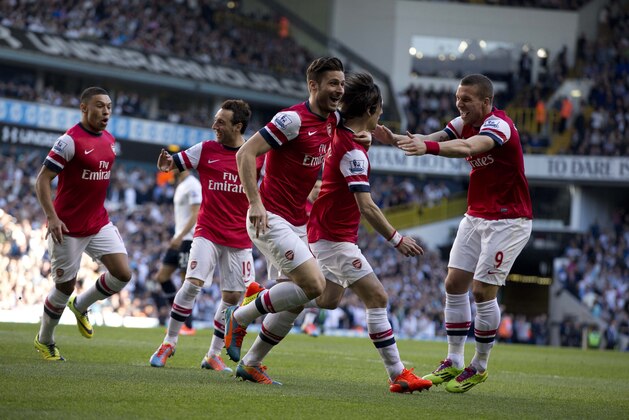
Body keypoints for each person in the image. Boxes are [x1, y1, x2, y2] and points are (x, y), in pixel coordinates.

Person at [375, 73, 532, 393]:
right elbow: (433, 137)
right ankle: (453, 360)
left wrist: (428, 147)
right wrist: (395, 140)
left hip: (508, 220)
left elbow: (466, 148)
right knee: (453, 283)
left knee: (482, 291)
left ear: (486, 102)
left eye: (467, 99)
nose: (459, 104)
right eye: (458, 98)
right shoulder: (462, 121)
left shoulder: (498, 125)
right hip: (476, 216)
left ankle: (480, 365)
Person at [226, 56, 369, 385]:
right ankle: (242, 316)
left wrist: (370, 138)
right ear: (313, 85)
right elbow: (244, 153)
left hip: (298, 222)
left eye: (342, 83)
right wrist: (255, 202)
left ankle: (251, 363)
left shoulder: (334, 119)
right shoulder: (291, 120)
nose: (339, 89)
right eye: (333, 83)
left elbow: (361, 127)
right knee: (315, 285)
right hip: (268, 217)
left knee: (300, 297)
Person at [307, 72, 433, 393]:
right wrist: (397, 239)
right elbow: (368, 207)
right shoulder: (352, 150)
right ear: (372, 108)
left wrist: (385, 136)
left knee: (328, 299)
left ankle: (264, 298)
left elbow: (364, 124)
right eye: (379, 110)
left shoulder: (340, 127)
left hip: (330, 232)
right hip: (334, 237)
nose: (381, 117)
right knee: (377, 296)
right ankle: (398, 373)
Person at [149, 99, 264, 372]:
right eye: (215, 120)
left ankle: (213, 355)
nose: (215, 126)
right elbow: (171, 165)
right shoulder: (205, 149)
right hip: (207, 231)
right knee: (192, 283)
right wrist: (165, 164)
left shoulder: (257, 155)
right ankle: (169, 343)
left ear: (238, 126)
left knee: (233, 297)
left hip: (239, 237)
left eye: (221, 122)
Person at [34, 86, 133, 361]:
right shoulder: (69, 141)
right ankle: (45, 340)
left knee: (123, 274)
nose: (106, 112)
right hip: (68, 227)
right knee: (64, 287)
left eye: (109, 107)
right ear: (84, 108)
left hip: (99, 222)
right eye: (100, 106)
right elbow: (42, 180)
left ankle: (82, 305)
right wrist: (52, 217)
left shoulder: (111, 140)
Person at [154, 160, 201, 336]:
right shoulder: (181, 185)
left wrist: (180, 236)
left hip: (188, 240)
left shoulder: (193, 185)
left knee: (185, 282)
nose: (171, 169)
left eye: (174, 165)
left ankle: (187, 325)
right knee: (162, 277)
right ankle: (178, 317)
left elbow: (196, 214)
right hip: (178, 239)